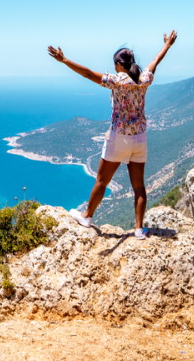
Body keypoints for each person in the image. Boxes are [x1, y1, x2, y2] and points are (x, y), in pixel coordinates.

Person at [47, 31, 177, 239]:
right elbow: (154, 62)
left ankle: (87, 216)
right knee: (139, 186)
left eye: (115, 64)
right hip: (140, 138)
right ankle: (138, 229)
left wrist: (64, 60)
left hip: (119, 138)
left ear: (119, 64)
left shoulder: (116, 80)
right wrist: (167, 45)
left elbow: (89, 74)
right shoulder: (144, 79)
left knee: (101, 180)